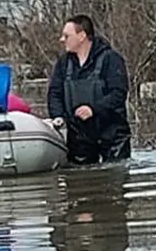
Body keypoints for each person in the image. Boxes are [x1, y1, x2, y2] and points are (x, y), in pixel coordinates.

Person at [46, 14, 132, 164]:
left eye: (66, 36)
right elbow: (54, 93)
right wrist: (58, 116)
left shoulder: (111, 59)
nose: (62, 40)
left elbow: (118, 94)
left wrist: (93, 109)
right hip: (79, 138)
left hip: (112, 135)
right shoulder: (63, 63)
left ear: (82, 36)